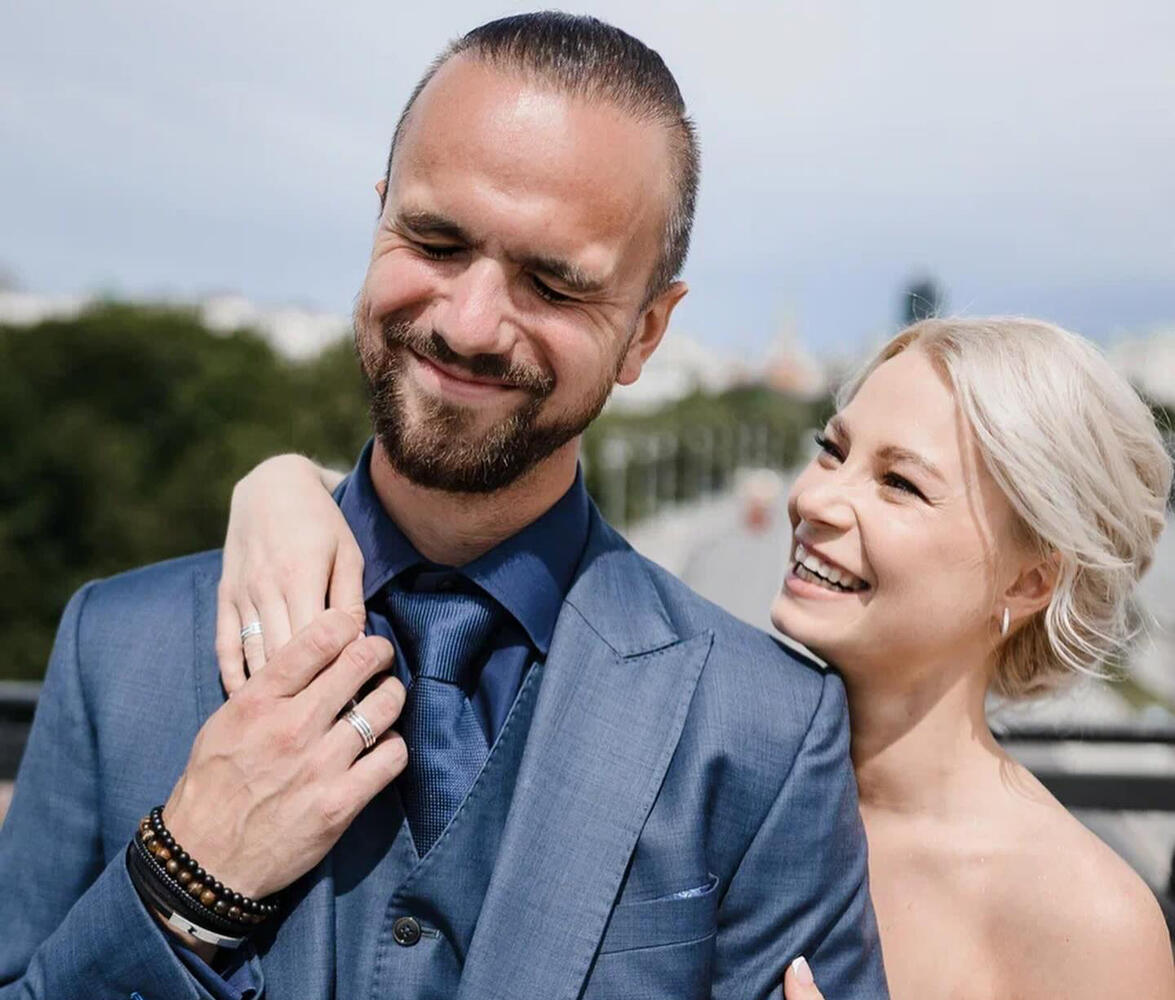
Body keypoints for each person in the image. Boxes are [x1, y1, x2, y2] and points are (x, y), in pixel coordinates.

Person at [0, 13, 888, 1000]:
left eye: (553, 284)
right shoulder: (116, 649)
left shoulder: (766, 731)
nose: (469, 326)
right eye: (433, 240)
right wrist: (183, 886)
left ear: (646, 333)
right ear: (377, 218)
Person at [224, 317, 1175, 1000]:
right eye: (832, 449)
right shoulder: (693, 730)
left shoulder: (1087, 921)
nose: (814, 499)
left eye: (898, 485)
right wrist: (287, 487)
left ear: (1028, 580)